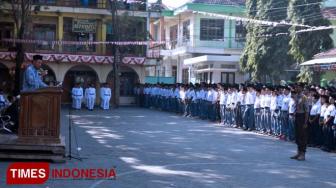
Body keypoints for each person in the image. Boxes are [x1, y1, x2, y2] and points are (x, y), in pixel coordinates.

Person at [290, 84, 309, 161]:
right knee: (297, 136)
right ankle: (298, 153)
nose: (296, 88)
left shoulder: (304, 97)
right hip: (297, 116)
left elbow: (307, 111)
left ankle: (303, 154)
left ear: (301, 88)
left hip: (302, 117)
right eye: (296, 87)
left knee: (302, 136)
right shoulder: (296, 97)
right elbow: (296, 107)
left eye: (298, 87)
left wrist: (305, 122)